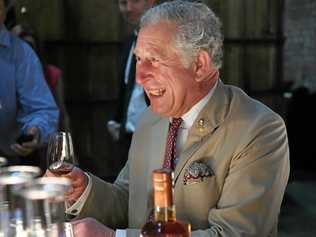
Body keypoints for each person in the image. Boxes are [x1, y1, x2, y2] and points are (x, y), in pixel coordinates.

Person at [47, 1, 290, 236]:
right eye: (139, 59)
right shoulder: (150, 119)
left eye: (154, 59)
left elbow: (233, 234)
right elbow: (130, 199)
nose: (140, 77)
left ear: (199, 65)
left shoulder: (260, 129)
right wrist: (82, 191)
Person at [0, 0, 59, 164]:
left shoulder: (21, 53)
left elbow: (42, 109)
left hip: (7, 161)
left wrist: (36, 130)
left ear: (5, 9)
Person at [106, 0, 157, 173]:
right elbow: (127, 88)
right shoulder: (129, 43)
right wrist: (116, 119)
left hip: (157, 139)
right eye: (122, 2)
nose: (127, 8)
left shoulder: (167, 44)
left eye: (134, 1)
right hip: (128, 138)